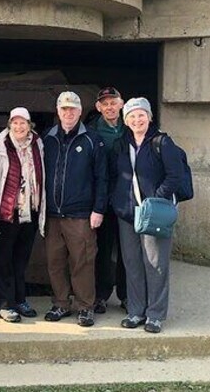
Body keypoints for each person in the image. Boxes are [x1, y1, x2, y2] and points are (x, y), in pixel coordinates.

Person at [110, 97, 185, 334]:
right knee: (132, 263)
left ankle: (155, 315)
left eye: (141, 115)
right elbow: (115, 175)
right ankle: (136, 311)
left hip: (153, 213)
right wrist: (117, 202)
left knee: (155, 264)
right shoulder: (122, 144)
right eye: (131, 116)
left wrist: (156, 199)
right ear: (126, 120)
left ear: (149, 117)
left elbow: (175, 175)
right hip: (128, 213)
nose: (137, 119)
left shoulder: (162, 142)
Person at [41, 91, 107, 328]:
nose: (68, 113)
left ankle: (85, 307)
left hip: (80, 214)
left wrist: (98, 209)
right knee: (55, 261)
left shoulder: (92, 139)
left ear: (80, 111)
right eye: (64, 109)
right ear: (58, 112)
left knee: (82, 261)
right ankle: (60, 303)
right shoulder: (46, 138)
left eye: (72, 109)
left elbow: (102, 178)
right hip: (52, 214)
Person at [0, 107, 44, 323]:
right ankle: (3, 303)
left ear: (29, 125)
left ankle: (19, 299)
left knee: (21, 259)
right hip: (6, 213)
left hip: (29, 212)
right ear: (9, 125)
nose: (19, 127)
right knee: (2, 259)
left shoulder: (37, 144)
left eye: (23, 123)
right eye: (15, 123)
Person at [86, 87, 128, 314]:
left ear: (121, 104)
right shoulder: (92, 132)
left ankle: (126, 295)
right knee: (102, 249)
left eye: (114, 102)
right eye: (105, 104)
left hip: (127, 199)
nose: (110, 107)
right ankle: (100, 295)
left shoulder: (131, 127)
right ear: (98, 107)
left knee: (127, 250)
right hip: (102, 199)